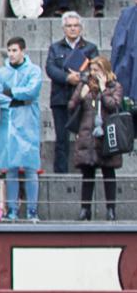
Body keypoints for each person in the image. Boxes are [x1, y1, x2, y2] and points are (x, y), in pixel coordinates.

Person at [0, 36, 44, 222]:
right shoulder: (1, 73)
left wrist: (11, 93)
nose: (12, 54)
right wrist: (19, 99)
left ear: (23, 51)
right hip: (8, 123)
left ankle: (33, 211)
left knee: (31, 168)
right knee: (10, 168)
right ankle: (12, 210)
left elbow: (33, 90)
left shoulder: (33, 70)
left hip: (28, 122)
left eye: (15, 50)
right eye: (9, 50)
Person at [47, 12, 98, 177]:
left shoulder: (90, 48)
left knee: (85, 137)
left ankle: (87, 171)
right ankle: (60, 174)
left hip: (83, 99)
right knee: (61, 139)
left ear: (81, 28)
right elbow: (51, 69)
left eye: (76, 25)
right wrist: (68, 78)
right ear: (63, 28)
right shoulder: (55, 48)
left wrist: (81, 78)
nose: (73, 29)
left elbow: (96, 70)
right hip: (60, 99)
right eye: (69, 26)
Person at [72, 57, 123, 220]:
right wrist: (81, 96)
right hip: (88, 133)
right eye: (92, 69)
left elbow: (114, 105)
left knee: (109, 172)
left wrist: (103, 90)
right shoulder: (84, 84)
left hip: (107, 134)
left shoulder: (115, 86)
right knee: (88, 172)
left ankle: (111, 209)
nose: (93, 73)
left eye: (97, 69)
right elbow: (71, 106)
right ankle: (85, 209)